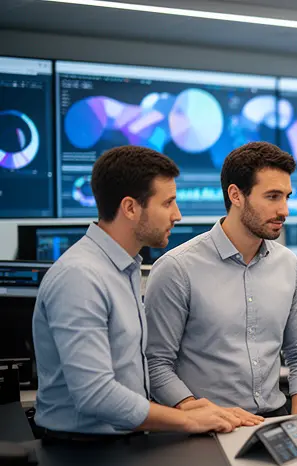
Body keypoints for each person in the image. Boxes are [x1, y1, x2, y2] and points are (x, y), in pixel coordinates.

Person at [33, 146, 260, 442]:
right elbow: (95, 394)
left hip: (123, 441)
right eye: (167, 203)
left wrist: (191, 408)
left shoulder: (122, 270)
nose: (177, 215)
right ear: (130, 208)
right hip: (84, 453)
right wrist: (187, 419)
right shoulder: (80, 277)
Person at [145, 142, 297, 418]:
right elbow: (155, 364)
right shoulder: (176, 268)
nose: (284, 210)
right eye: (273, 197)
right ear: (236, 195)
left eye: (287, 197)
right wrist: (200, 414)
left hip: (277, 419)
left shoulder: (288, 265)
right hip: (205, 428)